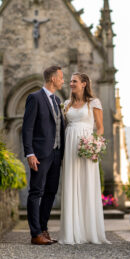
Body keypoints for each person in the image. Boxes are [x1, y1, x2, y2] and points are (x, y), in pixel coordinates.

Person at [59, 72, 110, 244]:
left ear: (84, 84)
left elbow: (101, 127)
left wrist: (93, 144)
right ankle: (73, 231)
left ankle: (90, 232)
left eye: (74, 81)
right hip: (70, 145)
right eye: (71, 81)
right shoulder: (66, 104)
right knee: (71, 183)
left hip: (86, 146)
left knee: (86, 183)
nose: (71, 83)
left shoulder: (93, 102)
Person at [22, 66, 65, 245]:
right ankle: (35, 234)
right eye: (61, 77)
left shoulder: (56, 100)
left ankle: (43, 229)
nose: (63, 80)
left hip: (56, 154)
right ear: (53, 79)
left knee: (50, 192)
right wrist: (29, 152)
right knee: (36, 192)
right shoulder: (35, 98)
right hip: (40, 154)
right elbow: (28, 127)